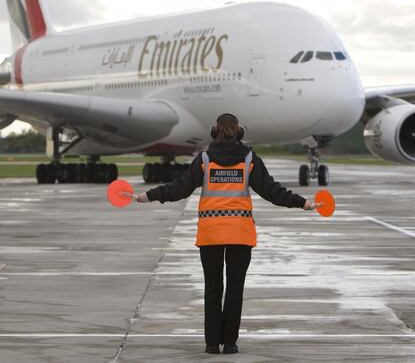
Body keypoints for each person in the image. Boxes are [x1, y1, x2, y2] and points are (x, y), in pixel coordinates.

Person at [133, 113, 319, 355]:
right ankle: (230, 343)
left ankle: (212, 344)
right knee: (234, 289)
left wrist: (150, 195)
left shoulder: (205, 159)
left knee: (212, 289)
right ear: (238, 131)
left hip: (210, 234)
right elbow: (272, 191)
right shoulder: (250, 159)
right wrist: (301, 202)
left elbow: (179, 189)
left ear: (214, 130)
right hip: (241, 234)